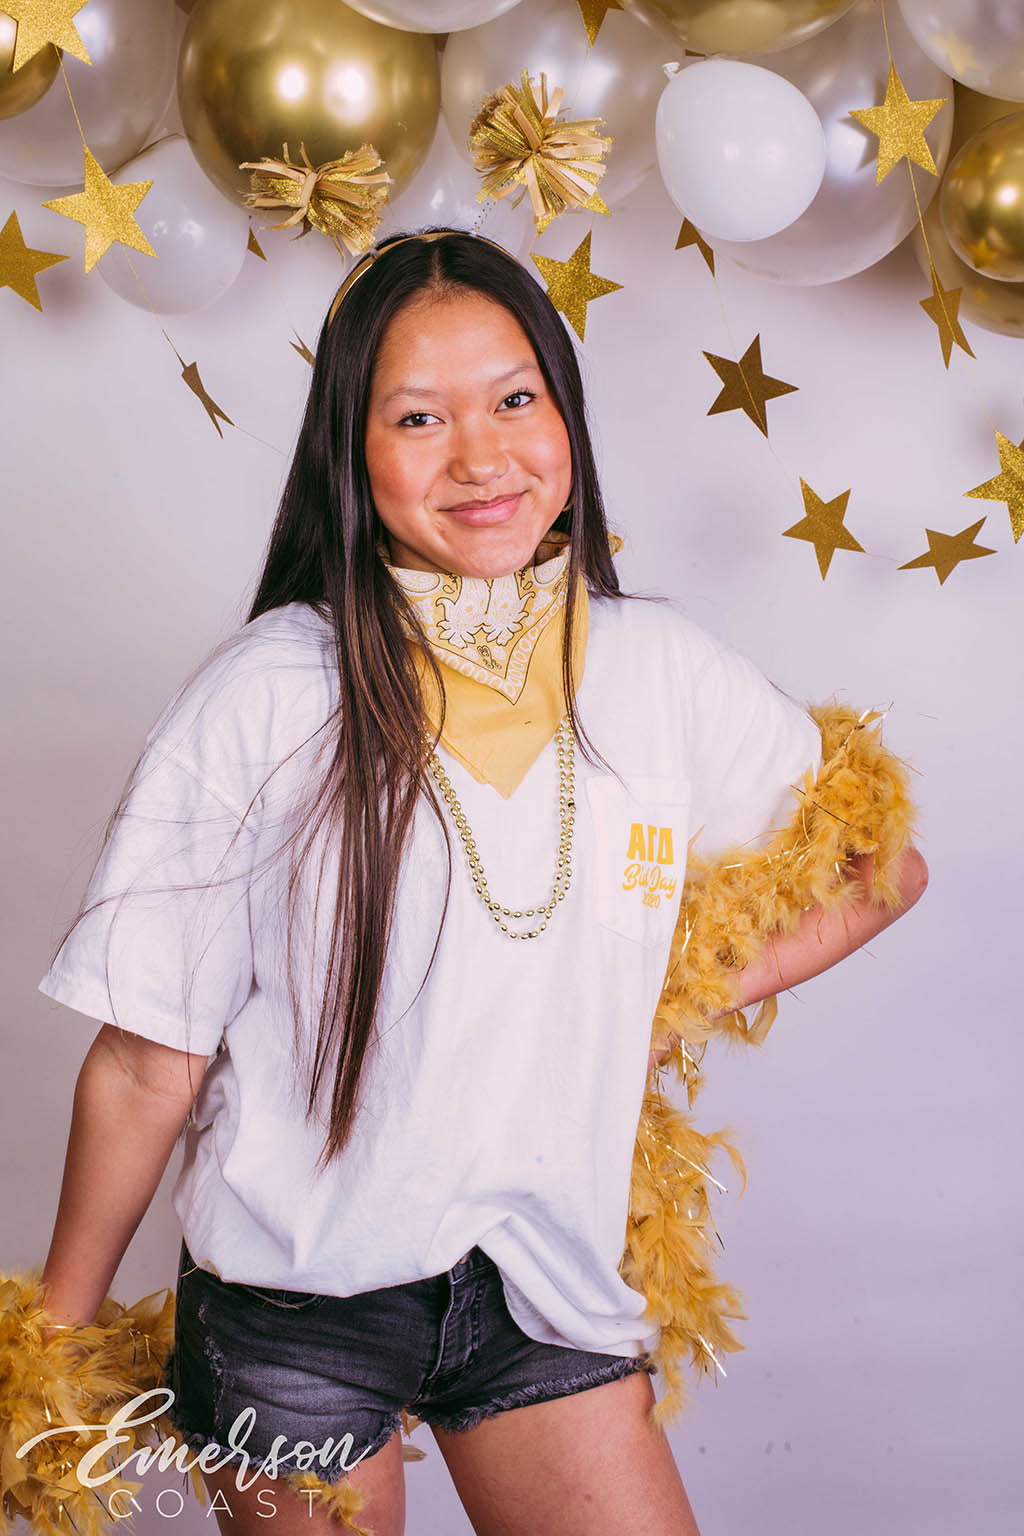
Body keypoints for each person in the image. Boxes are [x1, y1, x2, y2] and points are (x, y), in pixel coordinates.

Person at [32, 227, 927, 1536]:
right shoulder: (264, 695)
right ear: (351, 451)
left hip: (543, 1292)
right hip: (294, 1309)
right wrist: (50, 1353)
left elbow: (875, 865)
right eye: (418, 417)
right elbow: (143, 1060)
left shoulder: (662, 671)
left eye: (515, 399)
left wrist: (669, 993)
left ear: (566, 416)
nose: (482, 456)